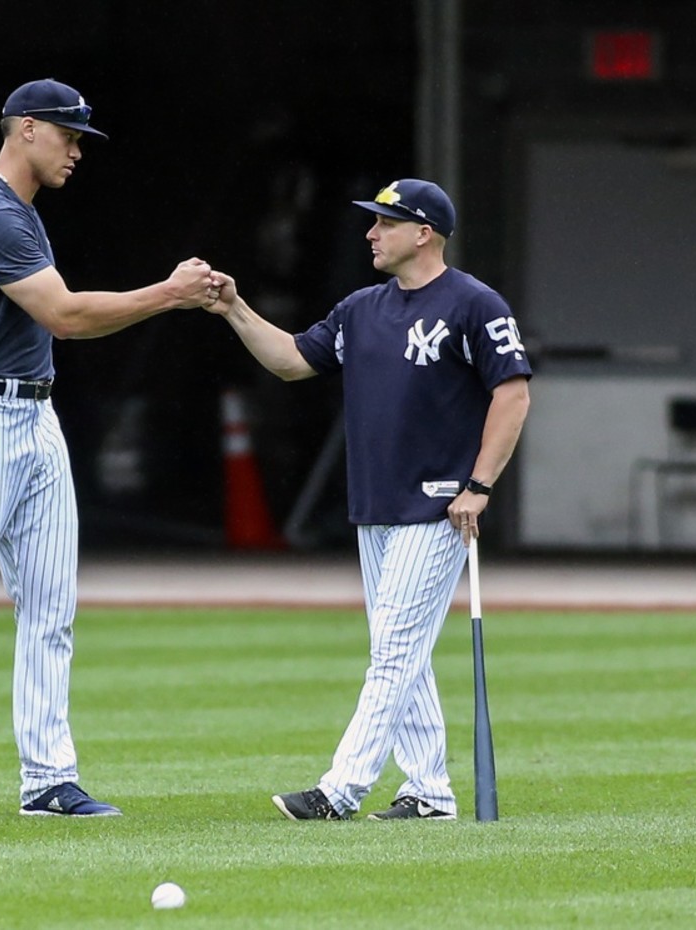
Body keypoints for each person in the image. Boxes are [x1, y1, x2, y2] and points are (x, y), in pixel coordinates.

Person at [0, 78, 219, 819]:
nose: (77, 151)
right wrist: (168, 294)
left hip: (35, 414)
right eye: (69, 136)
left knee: (51, 607)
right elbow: (66, 316)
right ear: (27, 130)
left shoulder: (24, 215)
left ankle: (47, 778)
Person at [206, 178, 531, 820]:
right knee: (400, 649)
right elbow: (293, 360)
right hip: (374, 506)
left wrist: (479, 486)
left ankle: (340, 790)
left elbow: (513, 392)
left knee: (392, 652)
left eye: (385, 223)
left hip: (437, 507)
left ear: (424, 233)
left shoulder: (475, 304)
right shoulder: (361, 308)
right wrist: (235, 310)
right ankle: (430, 793)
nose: (371, 233)